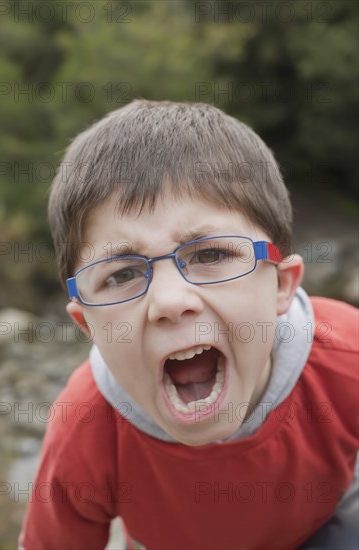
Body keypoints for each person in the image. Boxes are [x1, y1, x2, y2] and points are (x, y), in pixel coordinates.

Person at [20, 100, 358, 549]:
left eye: (210, 255)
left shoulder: (345, 357)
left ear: (281, 285)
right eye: (122, 274)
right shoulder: (86, 425)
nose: (170, 301)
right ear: (89, 326)